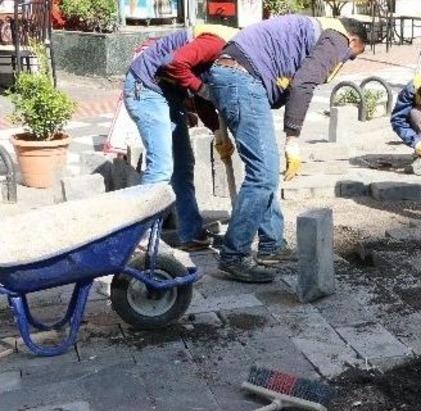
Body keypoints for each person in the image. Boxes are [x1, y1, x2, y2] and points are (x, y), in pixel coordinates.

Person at [206, 15, 367, 283]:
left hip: (236, 76)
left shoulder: (313, 30)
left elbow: (288, 83)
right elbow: (303, 82)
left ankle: (272, 245)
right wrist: (293, 139)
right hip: (242, 78)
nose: (346, 58)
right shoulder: (337, 37)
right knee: (264, 173)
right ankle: (234, 255)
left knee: (264, 169)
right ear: (353, 39)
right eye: (352, 55)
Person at [123, 24, 238, 252]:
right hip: (145, 88)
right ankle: (138, 236)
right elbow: (176, 64)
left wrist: (217, 132)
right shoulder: (216, 43)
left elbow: (203, 90)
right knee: (162, 167)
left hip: (168, 93)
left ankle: (191, 233)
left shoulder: (228, 54)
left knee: (183, 167)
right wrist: (202, 90)